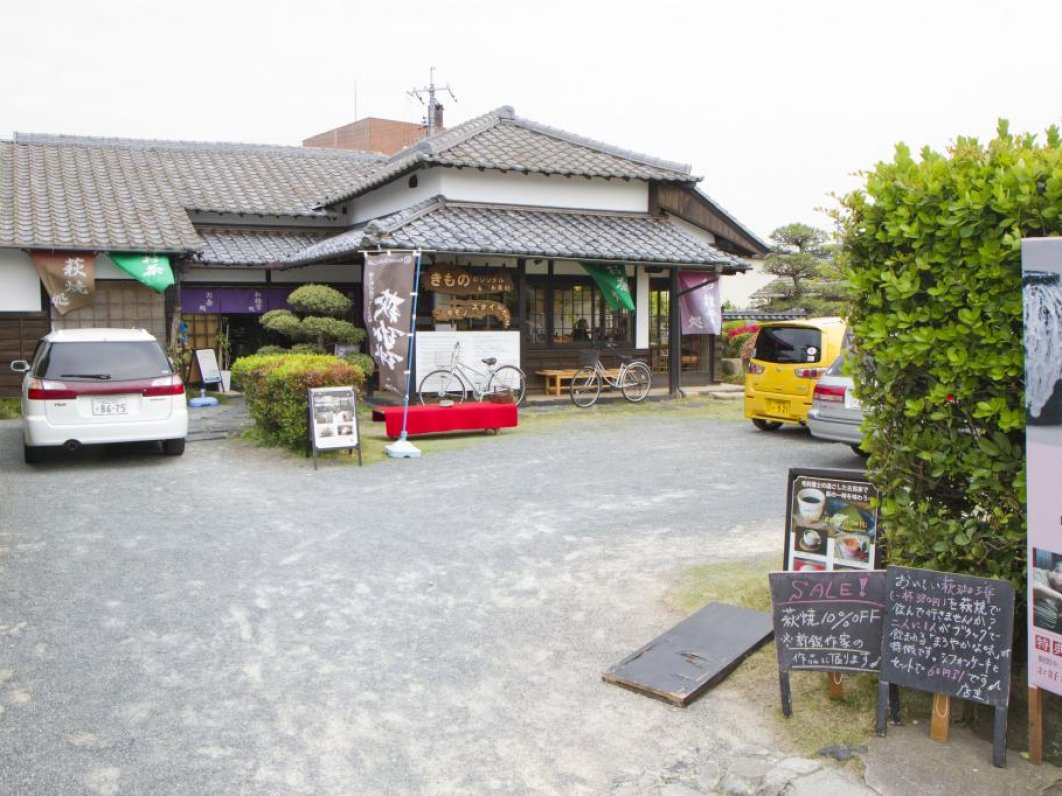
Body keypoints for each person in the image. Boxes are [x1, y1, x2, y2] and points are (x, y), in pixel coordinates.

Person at [1032, 560, 1062, 632]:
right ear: (1056, 571)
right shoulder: (1038, 572)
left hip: (1048, 633)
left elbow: (1057, 615)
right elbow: (1033, 587)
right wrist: (1060, 597)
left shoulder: (1057, 589)